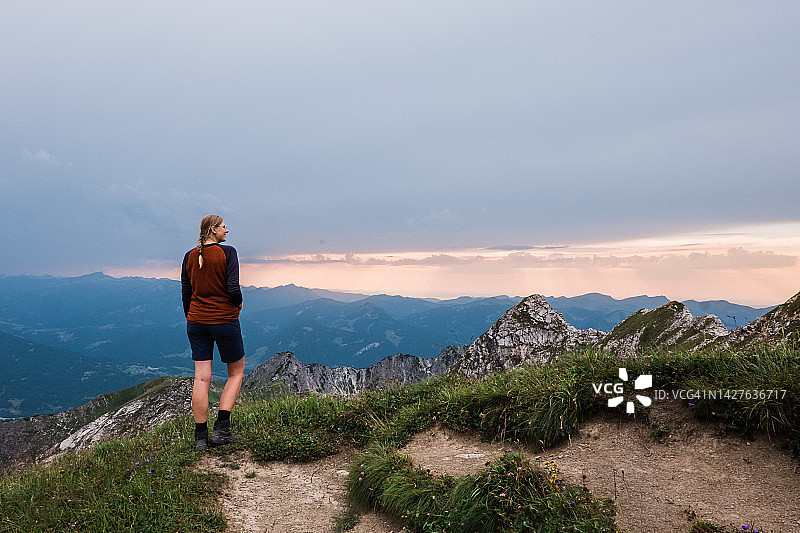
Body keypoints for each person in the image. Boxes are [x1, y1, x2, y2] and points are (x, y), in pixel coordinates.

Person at [181, 215, 245, 451]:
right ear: (213, 229)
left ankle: (200, 438)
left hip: (196, 321)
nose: (227, 230)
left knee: (201, 378)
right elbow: (233, 288)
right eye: (224, 227)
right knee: (236, 372)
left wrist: (191, 315)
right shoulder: (228, 252)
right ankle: (221, 429)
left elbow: (186, 292)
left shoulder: (189, 256)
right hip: (224, 320)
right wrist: (238, 304)